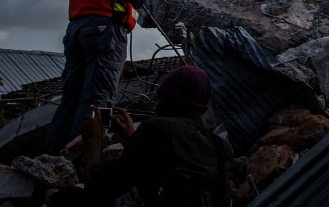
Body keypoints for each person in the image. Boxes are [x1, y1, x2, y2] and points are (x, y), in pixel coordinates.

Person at [44, 0, 180, 154]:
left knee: (71, 100)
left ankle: (52, 156)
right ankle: (81, 160)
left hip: (77, 30)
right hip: (106, 31)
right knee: (98, 101)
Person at [66, 65, 231, 207]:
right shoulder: (221, 146)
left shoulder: (158, 128)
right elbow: (164, 171)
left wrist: (93, 142)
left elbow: (97, 191)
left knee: (68, 197)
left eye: (159, 96)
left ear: (168, 99)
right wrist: (132, 140)